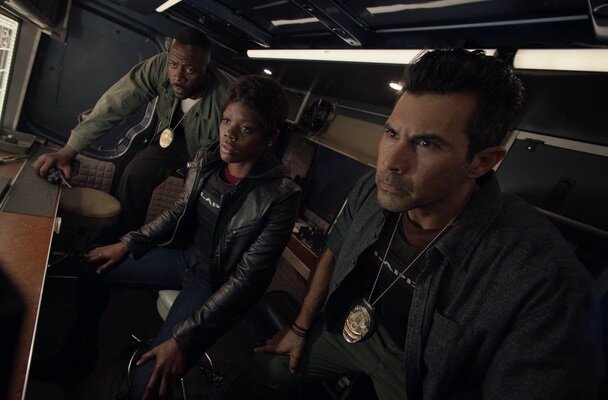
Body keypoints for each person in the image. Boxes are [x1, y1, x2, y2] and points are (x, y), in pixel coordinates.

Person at [228, 49, 604, 399]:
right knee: (261, 370)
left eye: (426, 144)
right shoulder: (371, 190)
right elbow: (334, 250)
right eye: (392, 133)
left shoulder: (544, 279)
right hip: (345, 330)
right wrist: (300, 327)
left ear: (482, 162)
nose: (391, 163)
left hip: (417, 379)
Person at [44, 74, 301, 399]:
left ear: (270, 138)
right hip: (184, 258)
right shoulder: (208, 158)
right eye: (226, 121)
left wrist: (183, 338)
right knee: (93, 266)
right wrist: (126, 243)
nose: (228, 134)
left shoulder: (281, 196)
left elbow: (247, 281)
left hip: (215, 284)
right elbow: (178, 213)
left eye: (246, 129)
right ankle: (79, 356)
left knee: (147, 383)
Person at [32, 27, 234, 231]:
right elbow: (115, 104)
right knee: (136, 174)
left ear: (208, 70)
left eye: (189, 70)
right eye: (173, 64)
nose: (178, 76)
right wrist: (68, 152)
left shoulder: (228, 97)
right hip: (175, 137)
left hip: (213, 156)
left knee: (194, 208)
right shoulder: (159, 66)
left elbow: (239, 153)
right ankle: (119, 240)